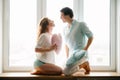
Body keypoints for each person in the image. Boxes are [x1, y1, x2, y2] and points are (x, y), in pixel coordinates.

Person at [60, 7, 93, 75]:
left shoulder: (80, 24)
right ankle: (83, 64)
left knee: (66, 72)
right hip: (72, 55)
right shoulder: (64, 29)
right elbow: (66, 44)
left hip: (80, 53)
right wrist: (67, 57)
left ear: (68, 15)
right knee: (61, 70)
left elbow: (91, 36)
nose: (60, 17)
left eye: (61, 15)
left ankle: (84, 64)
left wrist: (85, 49)